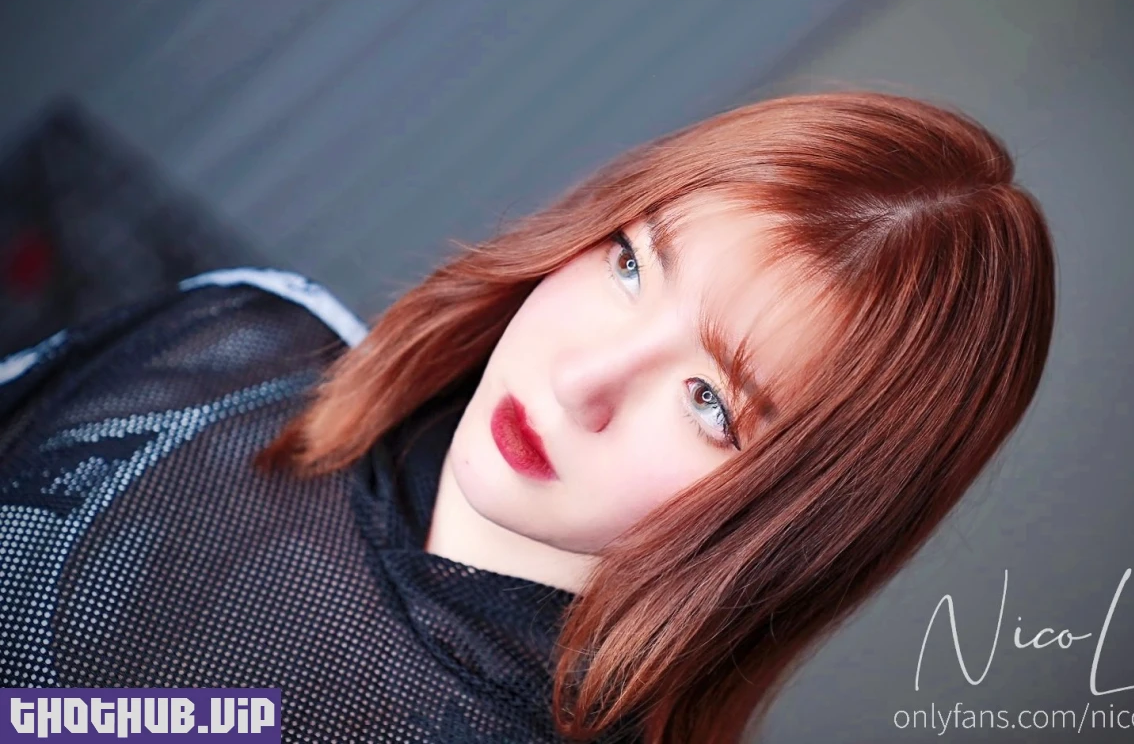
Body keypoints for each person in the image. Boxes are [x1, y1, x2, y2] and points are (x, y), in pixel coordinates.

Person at [0, 91, 1056, 743]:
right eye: (631, 263)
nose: (582, 377)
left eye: (710, 402)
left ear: (798, 523)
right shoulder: (237, 340)